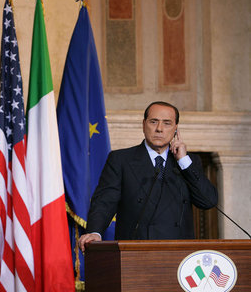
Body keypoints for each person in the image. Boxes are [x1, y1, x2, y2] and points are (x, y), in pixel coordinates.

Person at [79, 101, 218, 251]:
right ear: (144, 124)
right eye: (153, 122)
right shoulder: (121, 159)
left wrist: (184, 161)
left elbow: (208, 201)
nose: (159, 129)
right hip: (134, 250)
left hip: (179, 252)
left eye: (167, 123)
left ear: (176, 129)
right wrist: (95, 231)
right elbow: (104, 202)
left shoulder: (188, 162)